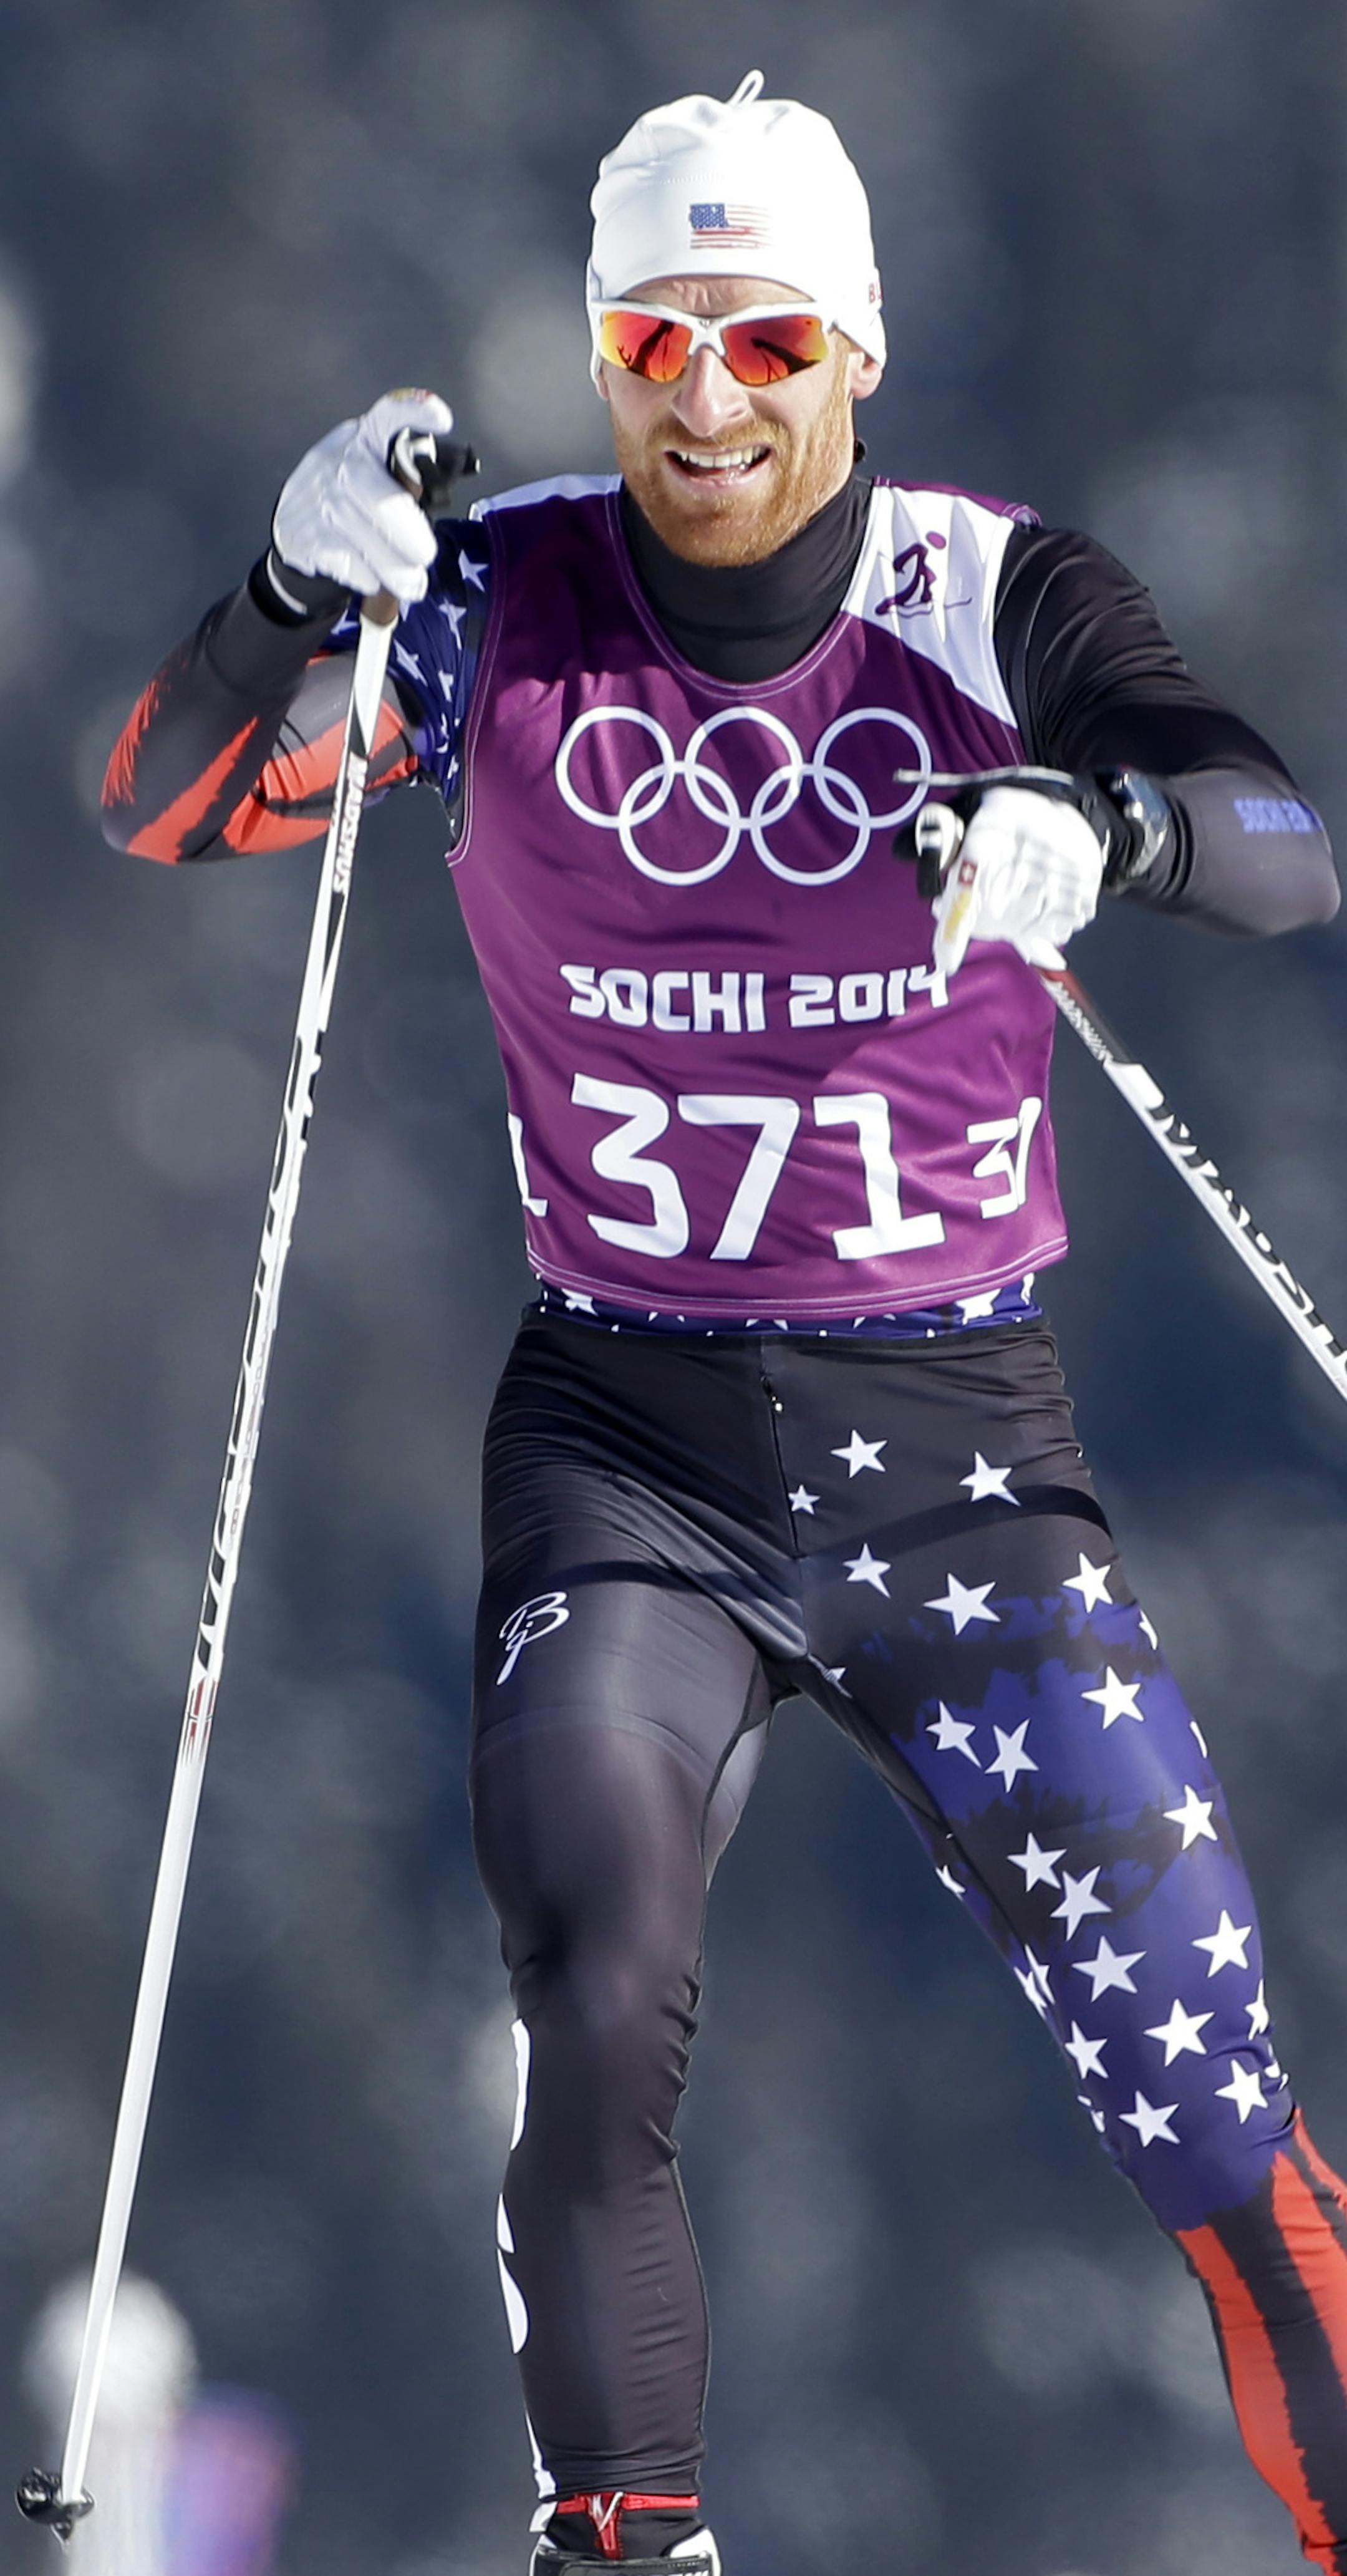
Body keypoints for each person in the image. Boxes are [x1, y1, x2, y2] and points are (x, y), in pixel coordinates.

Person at [100, 67, 1347, 2576]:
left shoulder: (990, 599)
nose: (707, 403)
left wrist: (1093, 822)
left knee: (1208, 2102)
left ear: (856, 353)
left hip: (958, 1458)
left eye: (766, 342)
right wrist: (286, 589)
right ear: (602, 351)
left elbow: (1284, 845)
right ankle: (627, 2544)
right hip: (630, 1446)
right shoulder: (502, 600)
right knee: (591, 1983)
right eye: (655, 343)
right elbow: (173, 796)